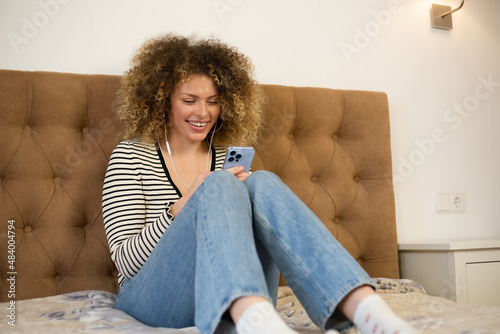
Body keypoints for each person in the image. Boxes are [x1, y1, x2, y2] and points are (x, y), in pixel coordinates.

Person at [102, 33, 417, 334]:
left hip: (226, 297)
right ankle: (251, 317)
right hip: (151, 300)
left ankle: (367, 311)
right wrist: (181, 207)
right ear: (163, 100)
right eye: (189, 100)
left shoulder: (227, 156)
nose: (203, 112)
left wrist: (245, 201)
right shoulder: (130, 156)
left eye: (213, 101)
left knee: (261, 182)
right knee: (219, 185)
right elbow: (127, 263)